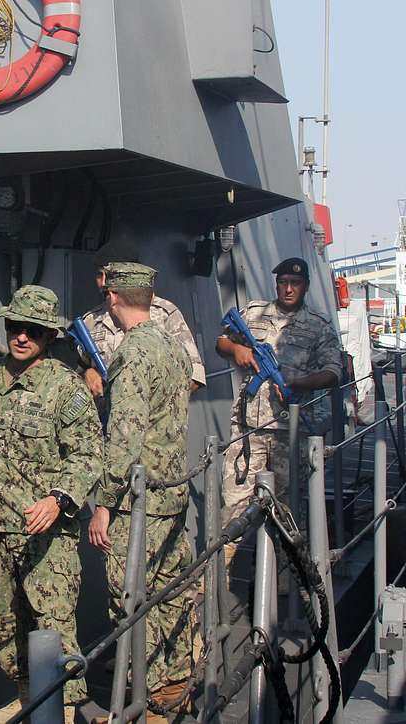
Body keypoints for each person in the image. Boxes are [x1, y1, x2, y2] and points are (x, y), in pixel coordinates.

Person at [0, 285, 102, 724]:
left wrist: (58, 499)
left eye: (32, 330)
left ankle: (61, 711)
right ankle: (28, 698)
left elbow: (88, 454)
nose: (21, 336)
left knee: (53, 626)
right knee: (3, 626)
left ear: (47, 336)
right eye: (14, 327)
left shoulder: (65, 388)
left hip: (46, 533)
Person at [87, 262, 194, 721]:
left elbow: (124, 439)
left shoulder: (131, 354)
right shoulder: (173, 345)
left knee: (131, 594)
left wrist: (104, 507)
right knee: (171, 590)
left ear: (113, 298)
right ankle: (176, 678)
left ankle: (145, 691)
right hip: (172, 491)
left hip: (139, 500)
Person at [216, 257, 341, 567]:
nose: (288, 288)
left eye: (295, 284)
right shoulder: (254, 313)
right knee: (233, 504)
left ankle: (288, 583)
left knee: (288, 509)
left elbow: (333, 372)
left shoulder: (317, 325)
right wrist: (238, 350)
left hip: (290, 429)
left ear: (305, 287)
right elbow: (221, 342)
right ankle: (223, 579)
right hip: (248, 430)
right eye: (283, 282)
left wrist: (299, 384)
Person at [77, 242, 205, 398]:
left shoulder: (164, 313)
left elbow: (194, 376)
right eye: (99, 274)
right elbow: (78, 370)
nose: (103, 283)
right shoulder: (91, 320)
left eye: (109, 275)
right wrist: (88, 374)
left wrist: (150, 404)